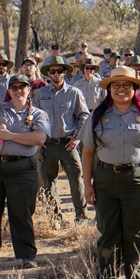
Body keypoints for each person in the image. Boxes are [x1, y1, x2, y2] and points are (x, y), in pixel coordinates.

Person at [79, 64, 140, 279]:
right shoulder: (98, 115)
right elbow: (87, 152)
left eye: (127, 85)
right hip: (105, 179)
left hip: (136, 179)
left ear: (135, 88)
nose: (121, 89)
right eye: (116, 85)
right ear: (109, 89)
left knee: (136, 233)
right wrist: (87, 184)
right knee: (108, 233)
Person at [0, 73, 50, 269]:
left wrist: (10, 136)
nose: (18, 91)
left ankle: (26, 256)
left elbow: (39, 138)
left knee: (21, 212)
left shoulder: (39, 114)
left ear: (29, 89)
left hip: (21, 168)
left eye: (22, 87)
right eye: (13, 87)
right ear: (8, 90)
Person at [35, 55, 91, 223]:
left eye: (60, 71)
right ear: (48, 74)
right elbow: (35, 116)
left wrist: (77, 137)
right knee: (47, 181)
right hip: (48, 145)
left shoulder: (74, 93)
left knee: (76, 178)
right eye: (53, 71)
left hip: (68, 143)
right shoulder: (40, 94)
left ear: (65, 72)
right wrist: (39, 138)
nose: (56, 73)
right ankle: (55, 215)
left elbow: (84, 116)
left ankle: (81, 216)